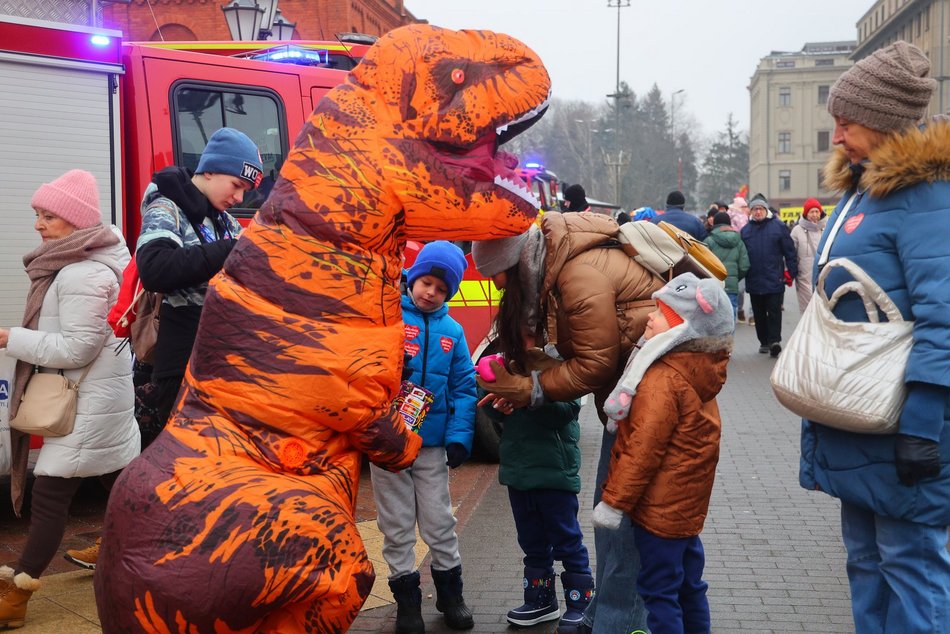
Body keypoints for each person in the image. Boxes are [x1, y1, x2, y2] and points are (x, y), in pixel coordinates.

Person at [801, 40, 950, 633]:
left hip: (904, 424)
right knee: (865, 562)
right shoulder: (862, 191)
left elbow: (945, 320)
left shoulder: (928, 199)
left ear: (886, 123)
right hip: (859, 415)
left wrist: (921, 427)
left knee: (909, 562)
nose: (837, 137)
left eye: (846, 123)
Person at [472, 211, 662, 634]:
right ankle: (603, 615)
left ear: (518, 261)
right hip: (630, 401)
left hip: (648, 404)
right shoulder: (556, 271)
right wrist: (524, 377)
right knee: (611, 519)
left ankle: (619, 622)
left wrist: (528, 389)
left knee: (621, 524)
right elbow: (572, 353)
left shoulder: (576, 274)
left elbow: (594, 365)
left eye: (500, 276)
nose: (499, 287)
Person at [0, 170, 140, 628]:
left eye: (50, 216)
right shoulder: (84, 264)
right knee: (119, 484)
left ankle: (17, 593)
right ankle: (134, 553)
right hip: (100, 399)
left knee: (51, 494)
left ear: (77, 222)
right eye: (38, 215)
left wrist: (10, 339)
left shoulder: (83, 273)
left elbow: (77, 349)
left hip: (84, 404)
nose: (39, 224)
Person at [593, 273, 733, 634]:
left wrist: (614, 504)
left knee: (658, 593)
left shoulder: (662, 379)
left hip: (659, 510)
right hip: (685, 508)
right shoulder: (699, 370)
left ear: (680, 328)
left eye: (660, 312)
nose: (649, 318)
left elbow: (642, 449)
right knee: (689, 587)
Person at [371, 241, 477, 633]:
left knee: (439, 522)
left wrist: (459, 436)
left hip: (431, 448)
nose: (431, 293)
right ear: (413, 278)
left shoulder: (454, 330)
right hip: (389, 444)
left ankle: (452, 597)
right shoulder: (389, 317)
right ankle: (408, 604)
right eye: (426, 283)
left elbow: (465, 386)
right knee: (396, 524)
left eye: (441, 289)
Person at [134, 127, 262, 447]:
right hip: (179, 365)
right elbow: (154, 268)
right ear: (212, 169)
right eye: (236, 185)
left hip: (220, 363)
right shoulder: (166, 207)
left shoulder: (224, 221)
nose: (238, 198)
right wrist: (232, 249)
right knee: (180, 464)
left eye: (246, 191)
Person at [478, 333, 592, 631]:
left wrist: (527, 397)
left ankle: (582, 603)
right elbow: (489, 406)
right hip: (519, 471)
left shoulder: (562, 368)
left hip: (554, 472)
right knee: (531, 540)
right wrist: (498, 405)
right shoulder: (509, 364)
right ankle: (541, 601)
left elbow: (566, 412)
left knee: (567, 540)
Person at [740, 192, 796, 357]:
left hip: (775, 278)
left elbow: (790, 251)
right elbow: (742, 256)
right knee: (758, 313)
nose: (758, 212)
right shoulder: (745, 231)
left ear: (766, 210)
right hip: (754, 279)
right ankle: (763, 342)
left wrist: (791, 272)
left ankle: (774, 342)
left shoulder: (778, 227)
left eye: (761, 208)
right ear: (750, 211)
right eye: (755, 209)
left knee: (774, 312)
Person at [704, 211, 749, 319]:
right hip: (732, 285)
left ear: (714, 224)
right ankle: (730, 336)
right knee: (731, 313)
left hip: (714, 285)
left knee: (715, 316)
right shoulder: (739, 241)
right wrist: (735, 278)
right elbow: (744, 266)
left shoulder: (709, 241)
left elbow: (703, 264)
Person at [788, 198, 826, 313]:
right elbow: (791, 254)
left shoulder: (827, 228)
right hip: (804, 277)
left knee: (823, 311)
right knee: (808, 311)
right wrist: (790, 271)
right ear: (806, 213)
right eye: (811, 212)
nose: (814, 215)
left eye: (817, 211)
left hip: (824, 275)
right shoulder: (797, 231)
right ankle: (809, 331)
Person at [727, 197, 751, 322]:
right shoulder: (742, 218)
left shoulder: (728, 215)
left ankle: (738, 310)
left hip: (728, 253)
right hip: (741, 250)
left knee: (733, 286)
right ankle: (740, 310)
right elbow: (745, 234)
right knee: (741, 284)